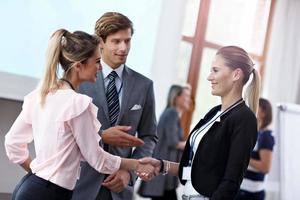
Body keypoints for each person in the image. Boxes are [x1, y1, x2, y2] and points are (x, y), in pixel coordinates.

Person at [4, 29, 154, 200]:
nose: (100, 67)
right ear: (78, 66)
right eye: (97, 61)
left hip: (29, 187)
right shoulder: (77, 104)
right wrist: (137, 164)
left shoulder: (41, 94)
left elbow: (12, 143)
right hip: (49, 194)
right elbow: (97, 159)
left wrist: (38, 173)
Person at [138, 46, 261, 200]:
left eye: (215, 70)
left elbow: (231, 181)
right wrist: (162, 165)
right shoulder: (214, 112)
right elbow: (197, 169)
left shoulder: (244, 119)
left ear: (236, 74)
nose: (209, 77)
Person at [72, 12, 157, 200]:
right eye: (116, 41)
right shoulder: (78, 80)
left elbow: (149, 135)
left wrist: (130, 172)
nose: (123, 48)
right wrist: (101, 136)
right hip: (79, 185)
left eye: (127, 41)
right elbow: (63, 132)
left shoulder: (144, 85)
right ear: (100, 42)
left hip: (119, 190)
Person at [138, 84, 191, 200]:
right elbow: (174, 142)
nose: (189, 100)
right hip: (163, 174)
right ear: (177, 97)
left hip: (163, 173)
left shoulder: (170, 113)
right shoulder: (172, 113)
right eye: (186, 96)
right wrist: (193, 143)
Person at [235, 98, 275, 200]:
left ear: (264, 112)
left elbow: (265, 167)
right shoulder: (256, 133)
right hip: (241, 190)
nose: (252, 109)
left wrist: (244, 158)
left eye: (256, 106)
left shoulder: (266, 136)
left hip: (251, 195)